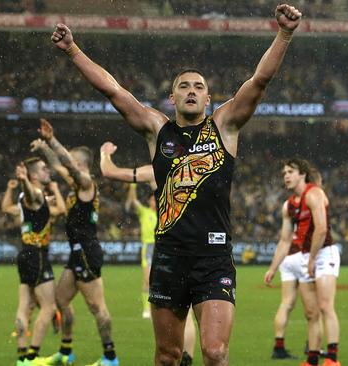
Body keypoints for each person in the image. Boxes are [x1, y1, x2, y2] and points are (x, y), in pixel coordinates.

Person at [51, 4, 302, 365]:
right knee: (168, 356)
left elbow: (259, 81)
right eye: (183, 86)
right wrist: (74, 51)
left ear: (208, 98)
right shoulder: (158, 130)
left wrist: (284, 34)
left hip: (213, 258)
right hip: (169, 257)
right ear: (172, 98)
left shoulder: (224, 126)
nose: (191, 91)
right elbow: (114, 91)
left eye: (198, 87)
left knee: (215, 352)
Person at [99, 141, 197, 366]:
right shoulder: (199, 172)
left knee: (171, 314)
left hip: (167, 250)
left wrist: (105, 154)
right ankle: (187, 359)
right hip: (193, 247)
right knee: (189, 312)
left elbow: (109, 172)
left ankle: (171, 358)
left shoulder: (158, 171)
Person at [31, 120, 119, 366]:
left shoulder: (86, 184)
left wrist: (52, 141)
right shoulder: (74, 185)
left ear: (79, 164)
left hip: (87, 253)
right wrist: (44, 148)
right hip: (76, 253)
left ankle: (110, 357)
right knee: (59, 301)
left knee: (96, 306)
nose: (67, 161)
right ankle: (66, 352)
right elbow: (59, 166)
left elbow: (65, 164)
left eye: (71, 159)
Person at [264, 159, 341, 366]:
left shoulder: (314, 194)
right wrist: (272, 268)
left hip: (324, 254)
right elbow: (284, 240)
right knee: (311, 312)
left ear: (302, 174)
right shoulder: (288, 205)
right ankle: (313, 359)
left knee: (325, 306)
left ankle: (333, 358)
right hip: (308, 257)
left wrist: (312, 259)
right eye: (284, 173)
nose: (286, 176)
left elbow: (322, 229)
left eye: (290, 172)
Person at [2, 158, 65, 366]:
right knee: (48, 307)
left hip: (24, 255)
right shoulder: (35, 194)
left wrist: (22, 183)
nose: (48, 171)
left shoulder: (28, 198)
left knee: (25, 306)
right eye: (44, 169)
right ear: (34, 176)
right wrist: (23, 181)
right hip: (37, 255)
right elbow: (32, 194)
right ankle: (32, 356)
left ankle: (22, 358)